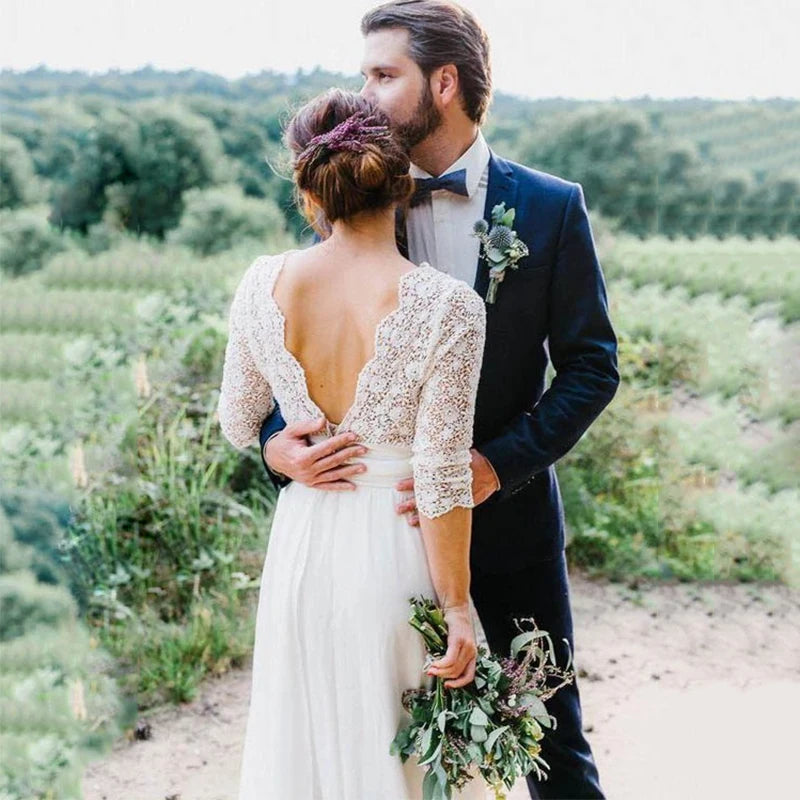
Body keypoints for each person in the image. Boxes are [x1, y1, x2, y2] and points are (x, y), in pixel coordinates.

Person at [258, 2, 619, 798]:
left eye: (383, 75)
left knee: (551, 739)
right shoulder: (346, 194)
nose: (365, 93)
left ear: (444, 83)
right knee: (384, 750)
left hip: (513, 526)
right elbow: (297, 356)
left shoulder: (553, 208)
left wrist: (495, 465)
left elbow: (593, 369)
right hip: (381, 545)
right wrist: (275, 447)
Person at [217, 87, 488, 799]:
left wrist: (283, 451)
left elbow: (238, 423)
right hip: (395, 555)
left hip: (304, 549)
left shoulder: (260, 284)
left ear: (310, 192)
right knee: (401, 765)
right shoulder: (449, 306)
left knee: (306, 754)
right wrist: (456, 608)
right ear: (401, 183)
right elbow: (441, 476)